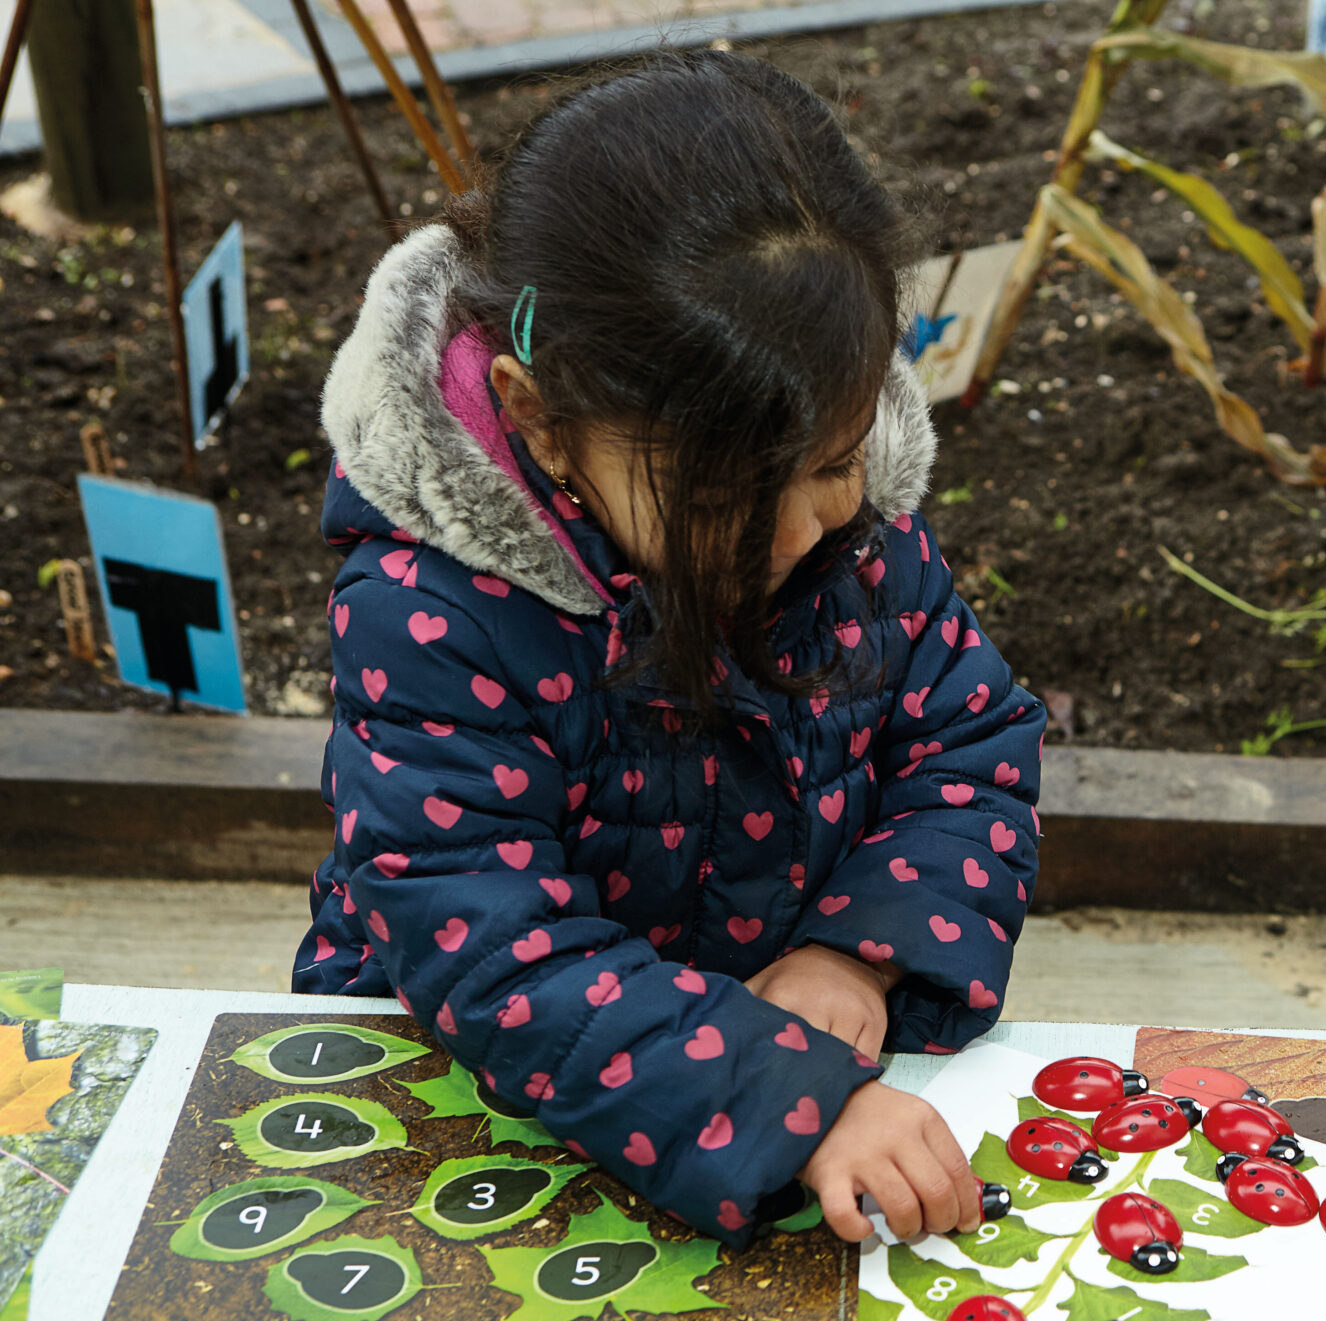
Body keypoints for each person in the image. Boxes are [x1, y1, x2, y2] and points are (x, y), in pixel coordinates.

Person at [294, 51, 1041, 1249]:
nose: (799, 533)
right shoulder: (432, 610)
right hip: (473, 1087)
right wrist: (789, 1098)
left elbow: (969, 750)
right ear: (538, 417)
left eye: (834, 462)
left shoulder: (859, 540)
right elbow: (490, 951)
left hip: (774, 1066)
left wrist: (855, 956)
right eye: (727, 500)